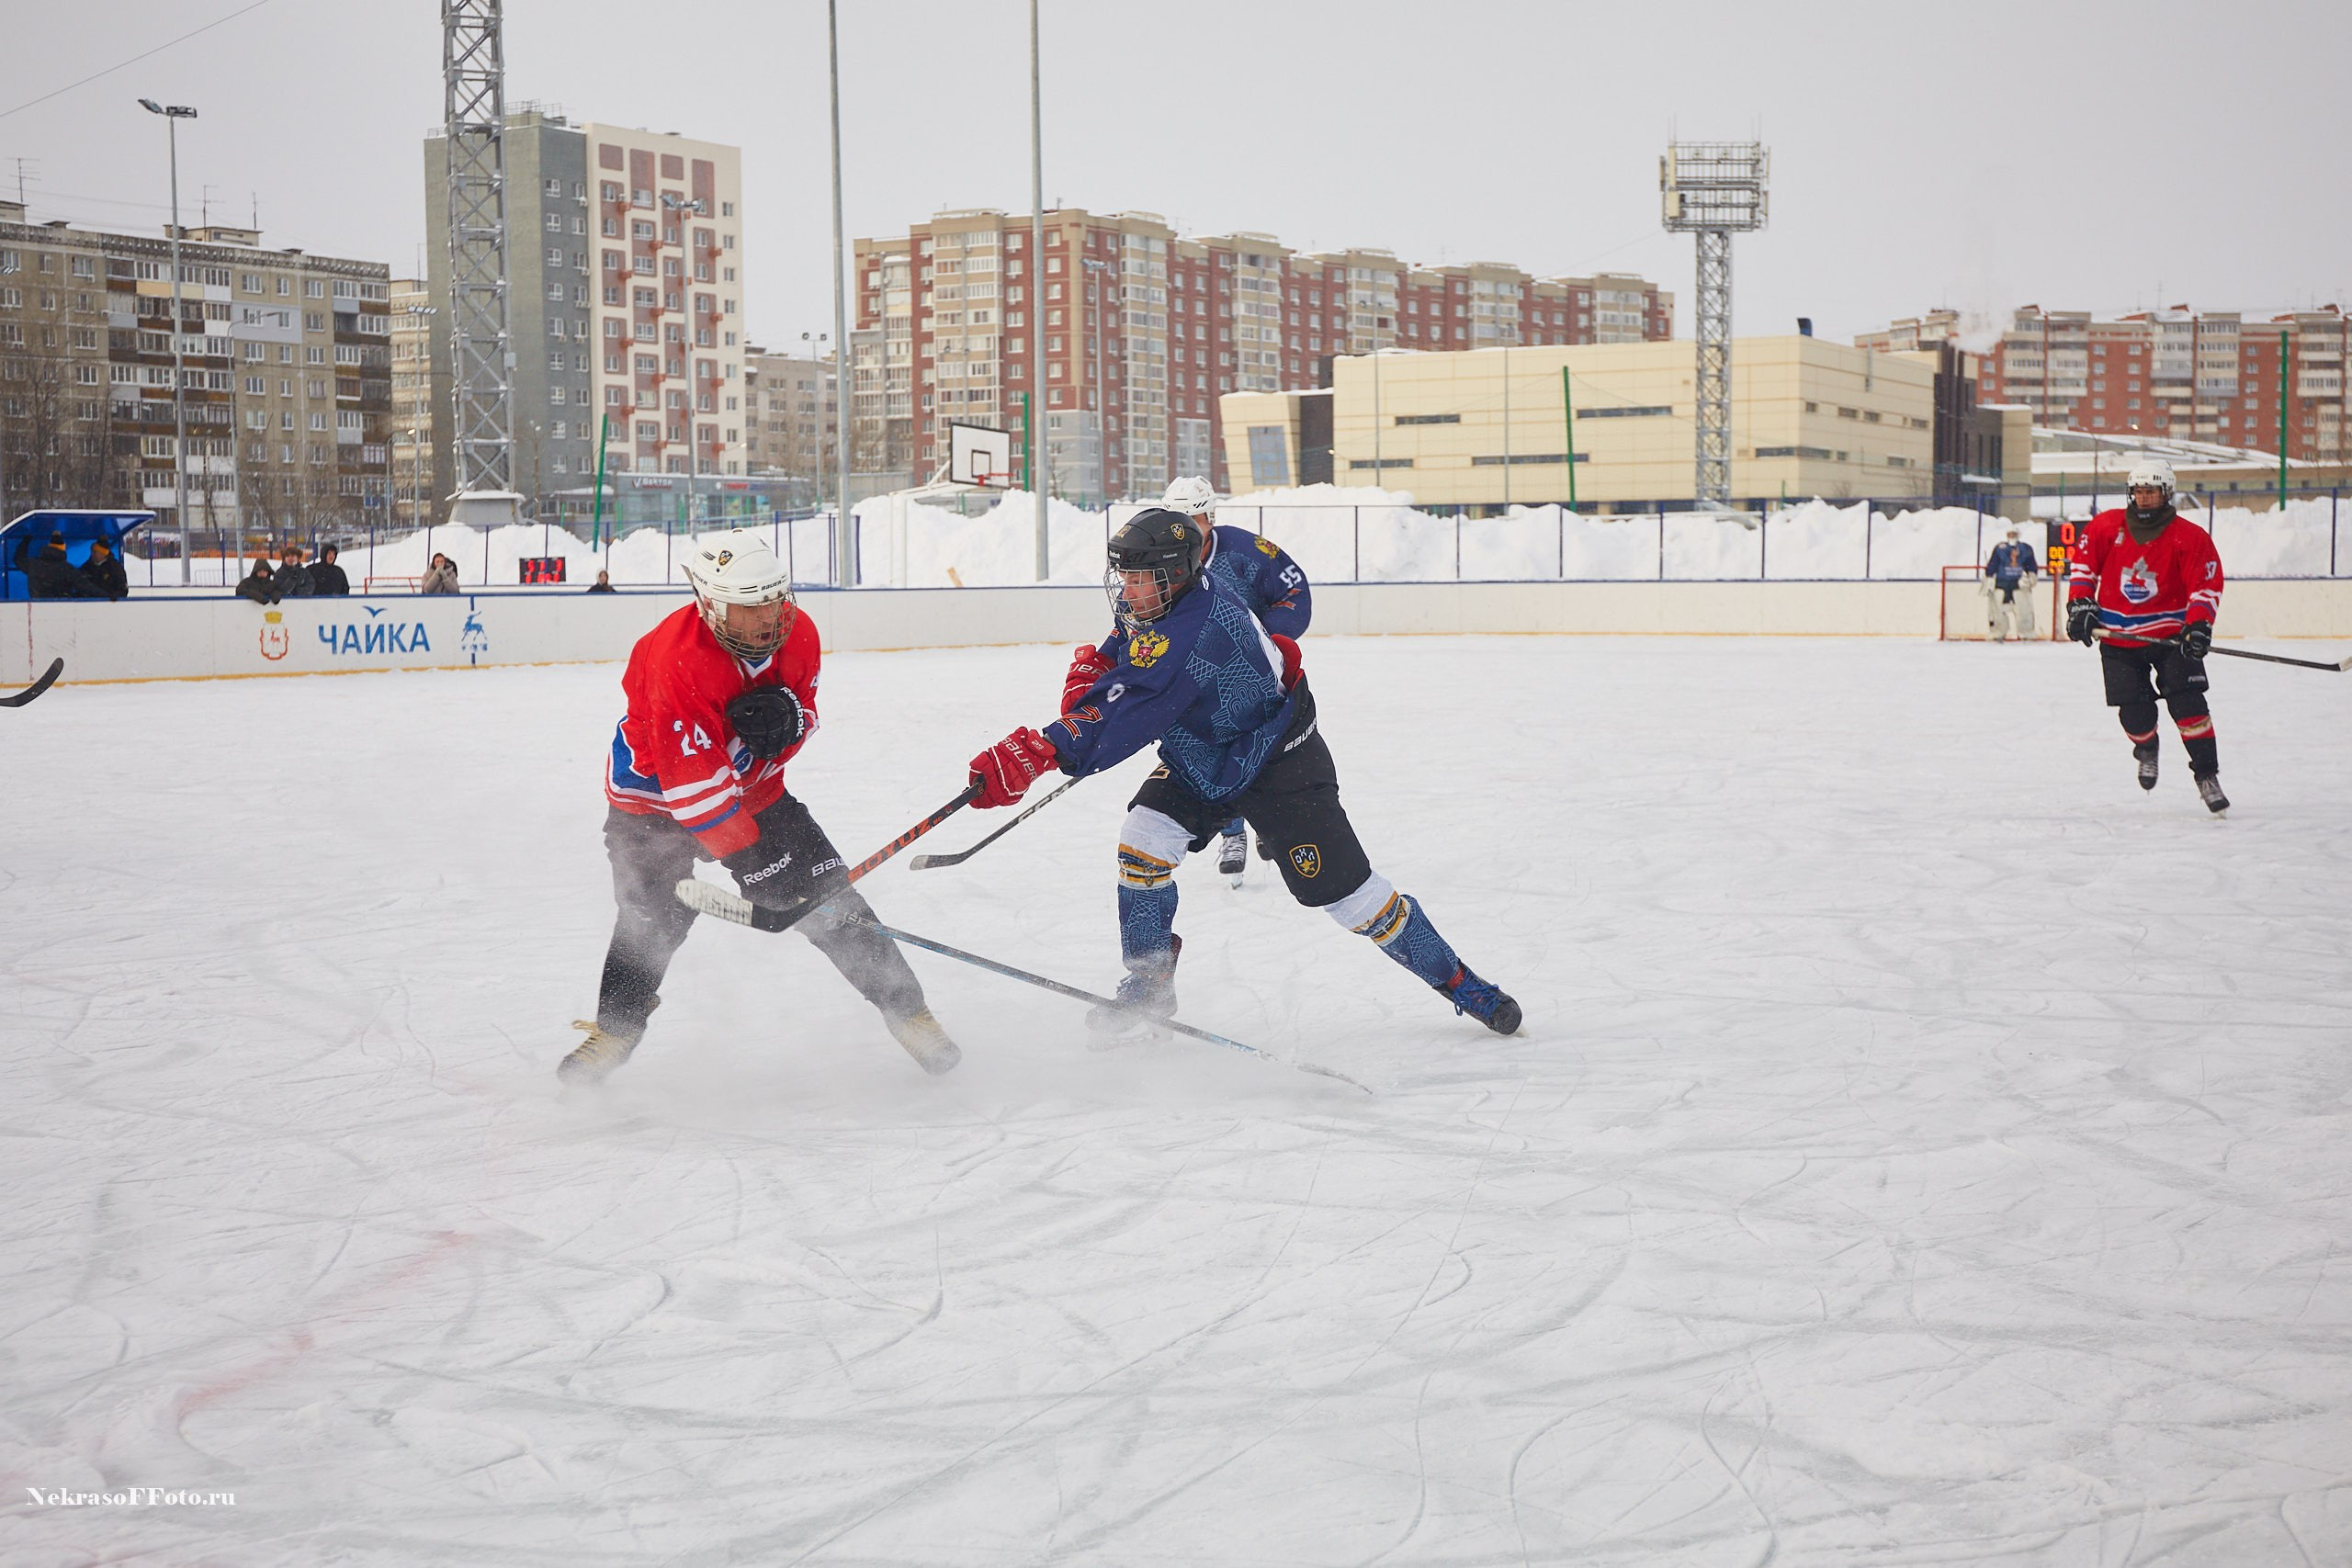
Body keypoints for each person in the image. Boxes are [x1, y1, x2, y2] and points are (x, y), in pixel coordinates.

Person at [966, 507, 1521, 1043]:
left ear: (1177, 573)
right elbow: (1130, 662)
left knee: (1355, 902)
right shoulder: (1170, 601)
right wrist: (1098, 677)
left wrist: (1039, 750)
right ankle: (1152, 980)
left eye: (1140, 578)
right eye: (1125, 577)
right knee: (1143, 844)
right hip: (1204, 756)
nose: (1128, 590)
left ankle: (1460, 983)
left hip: (1279, 765)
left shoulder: (1192, 635)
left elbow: (1129, 709)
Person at [560, 529, 963, 1086]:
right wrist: (758, 862)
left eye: (774, 601)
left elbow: (803, 722)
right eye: (747, 609)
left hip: (756, 791)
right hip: (653, 805)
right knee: (649, 918)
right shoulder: (673, 658)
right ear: (708, 604)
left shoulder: (799, 635)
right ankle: (615, 1029)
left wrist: (791, 725)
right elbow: (692, 788)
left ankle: (909, 1011)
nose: (766, 620)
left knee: (833, 902)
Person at [1159, 474, 1313, 886]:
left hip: (1251, 675)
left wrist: (1265, 639)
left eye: (1194, 520)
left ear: (1210, 517)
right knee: (1205, 753)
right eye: (1176, 520)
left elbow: (1296, 592)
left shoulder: (1246, 550)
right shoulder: (1158, 558)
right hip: (1193, 678)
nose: (1185, 531)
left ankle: (1263, 822)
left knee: (1255, 747)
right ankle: (1233, 834)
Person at [2066, 457, 2228, 813]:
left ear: (2167, 494)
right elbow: (2083, 569)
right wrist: (2080, 605)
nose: (2144, 498)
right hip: (2118, 639)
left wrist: (2199, 624)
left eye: (2152, 492)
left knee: (2190, 709)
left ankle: (2207, 775)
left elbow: (2205, 585)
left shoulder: (2189, 536)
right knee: (2135, 717)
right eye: (2139, 491)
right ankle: (2147, 746)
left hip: (2172, 640)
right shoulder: (2106, 526)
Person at [1982, 525, 2039, 641]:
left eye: (2014, 534)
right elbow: (1993, 564)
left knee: (2024, 610)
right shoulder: (1999, 548)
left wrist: (2032, 574)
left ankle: (2026, 633)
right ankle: (1998, 633)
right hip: (2001, 583)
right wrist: (1989, 576)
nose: (2012, 536)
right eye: (2010, 534)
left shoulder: (2026, 548)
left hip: (2018, 584)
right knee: (1997, 611)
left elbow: (2031, 564)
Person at [23, 533, 99, 599]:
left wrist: (25, 541)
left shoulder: (34, 564)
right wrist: (106, 596)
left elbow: (18, 559)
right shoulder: (67, 569)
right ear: (63, 548)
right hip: (62, 610)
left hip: (37, 610)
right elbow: (85, 586)